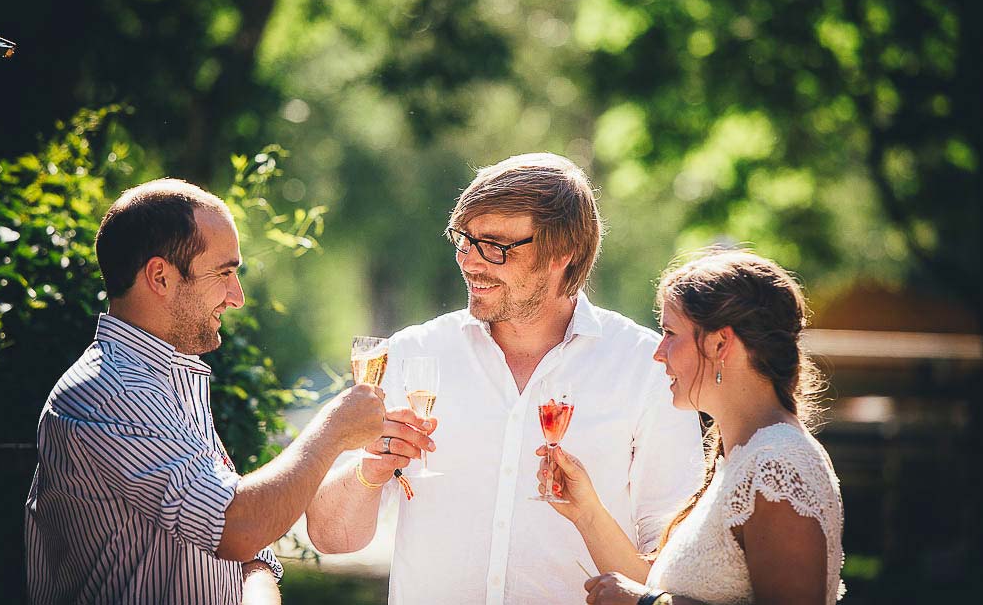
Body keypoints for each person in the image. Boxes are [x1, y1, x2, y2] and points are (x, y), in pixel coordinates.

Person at [306, 153, 705, 604]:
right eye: (464, 240)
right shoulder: (411, 353)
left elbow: (672, 565)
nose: (471, 263)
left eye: (495, 246)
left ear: (563, 253)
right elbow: (330, 537)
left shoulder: (644, 366)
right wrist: (370, 470)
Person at [24, 179, 386, 604]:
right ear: (160, 276)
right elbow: (238, 529)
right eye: (225, 273)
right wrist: (333, 428)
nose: (237, 296)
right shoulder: (112, 393)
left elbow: (246, 549)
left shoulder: (166, 377)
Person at [537, 250, 845, 605]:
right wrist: (585, 511)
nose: (658, 351)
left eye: (670, 333)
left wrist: (645, 604)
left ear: (719, 343)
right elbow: (665, 587)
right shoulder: (742, 459)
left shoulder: (778, 464)